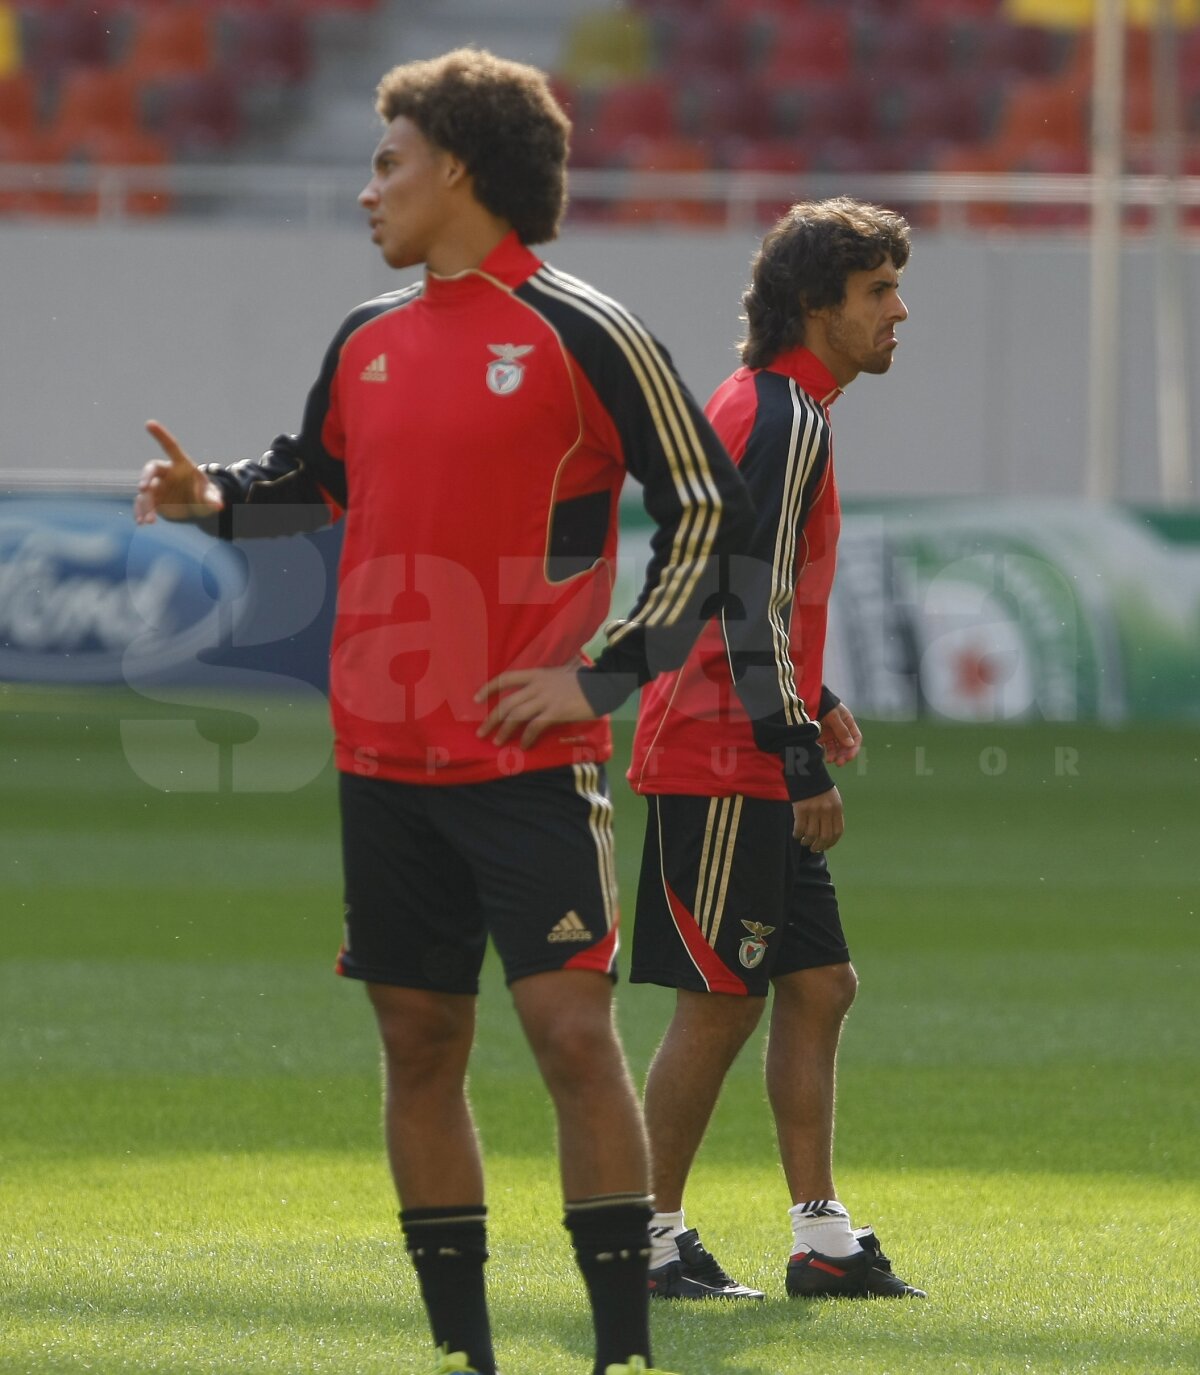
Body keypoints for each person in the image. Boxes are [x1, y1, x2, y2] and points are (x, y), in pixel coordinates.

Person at [133, 48, 755, 1375]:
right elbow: (313, 476)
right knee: (420, 1037)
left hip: (529, 758)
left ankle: (622, 1350)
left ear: (456, 169)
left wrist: (603, 672)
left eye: (388, 162)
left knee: (569, 1032)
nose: (369, 192)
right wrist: (218, 499)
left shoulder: (587, 328)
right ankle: (463, 1355)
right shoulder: (364, 337)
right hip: (378, 755)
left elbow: (707, 505)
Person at [626, 198, 925, 1303]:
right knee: (722, 997)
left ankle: (822, 1241)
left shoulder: (782, 407)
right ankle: (644, 1239)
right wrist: (795, 751)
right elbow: (737, 592)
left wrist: (819, 695)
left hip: (746, 729)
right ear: (817, 307)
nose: (901, 310)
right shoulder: (783, 414)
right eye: (879, 292)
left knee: (820, 986)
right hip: (718, 748)